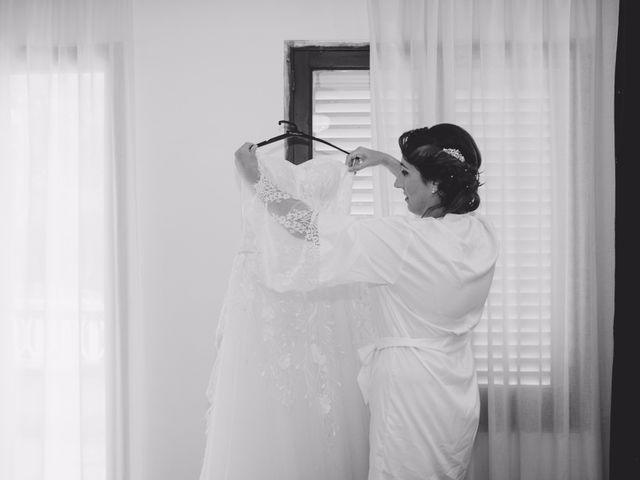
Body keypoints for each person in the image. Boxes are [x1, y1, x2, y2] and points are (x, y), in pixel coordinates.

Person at [232, 123, 499, 480]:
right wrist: (389, 161)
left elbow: (311, 227)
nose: (397, 183)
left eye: (405, 174)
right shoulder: (480, 232)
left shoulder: (405, 241)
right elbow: (430, 189)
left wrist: (259, 182)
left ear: (436, 184)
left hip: (410, 394)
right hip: (456, 387)